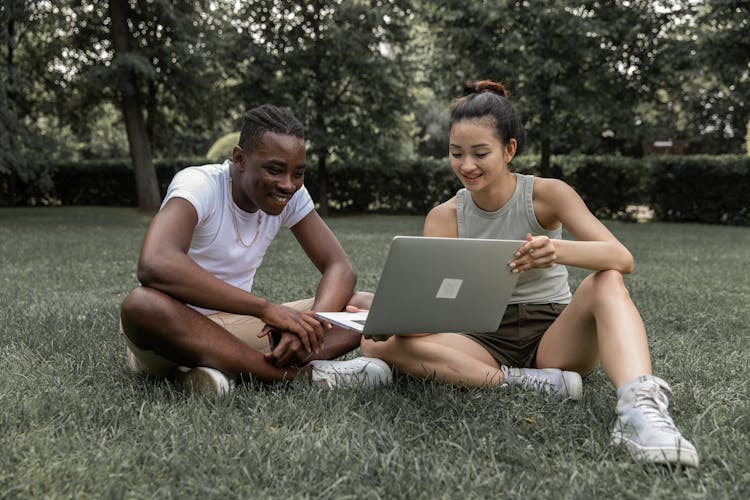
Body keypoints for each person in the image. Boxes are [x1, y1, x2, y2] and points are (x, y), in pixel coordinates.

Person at [360, 80, 699, 467]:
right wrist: (398, 323)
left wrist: (556, 250)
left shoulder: (547, 194)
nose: (466, 166)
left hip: (553, 336)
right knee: (374, 346)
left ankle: (642, 412)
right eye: (456, 153)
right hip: (480, 338)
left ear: (509, 150)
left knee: (606, 279)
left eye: (480, 152)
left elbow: (621, 256)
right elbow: (435, 311)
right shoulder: (444, 216)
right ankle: (519, 383)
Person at [120, 104, 391, 395]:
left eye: (298, 173)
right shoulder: (199, 184)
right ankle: (301, 377)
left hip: (237, 330)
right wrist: (264, 308)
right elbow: (155, 263)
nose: (288, 185)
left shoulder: (293, 196)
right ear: (240, 158)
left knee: (366, 306)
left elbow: (339, 267)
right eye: (275, 170)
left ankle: (211, 371)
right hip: (172, 331)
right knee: (141, 304)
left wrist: (309, 327)